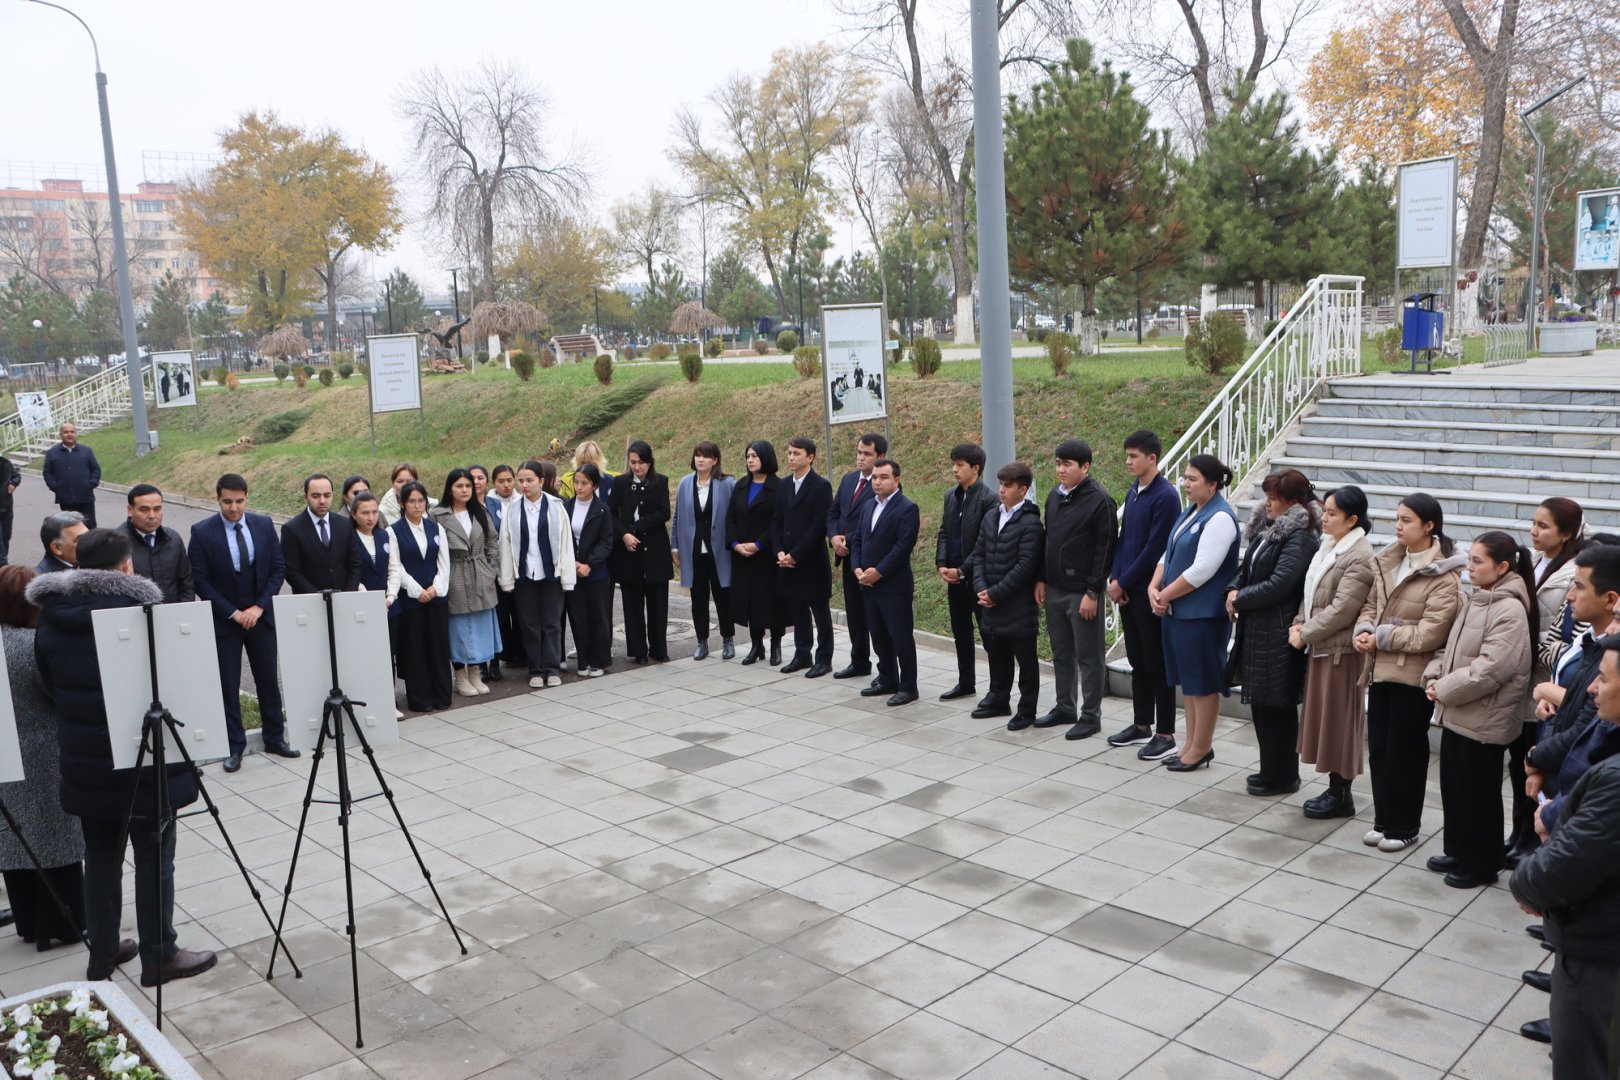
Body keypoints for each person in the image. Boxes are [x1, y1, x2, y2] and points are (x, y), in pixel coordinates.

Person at [28, 529, 216, 986]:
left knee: (101, 859)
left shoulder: (52, 616)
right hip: (143, 756)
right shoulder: (142, 613)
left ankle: (103, 952)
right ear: (126, 566)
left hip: (87, 762)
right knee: (154, 857)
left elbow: (47, 685)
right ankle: (159, 955)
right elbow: (173, 688)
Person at [1511, 638, 1620, 1080]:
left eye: (1605, 678)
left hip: (1600, 950)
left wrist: (1527, 883)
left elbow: (1563, 867)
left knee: (1586, 1062)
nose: (1593, 688)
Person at [1420, 530, 1536, 889]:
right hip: (1458, 712)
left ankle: (1481, 864)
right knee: (1455, 787)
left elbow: (1491, 669)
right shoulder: (1478, 598)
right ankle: (1458, 852)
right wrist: (1434, 675)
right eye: (1469, 559)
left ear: (1502, 567)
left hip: (1485, 717)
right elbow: (1451, 649)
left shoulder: (1510, 608)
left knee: (1478, 794)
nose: (1469, 568)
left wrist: (1445, 690)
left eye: (1477, 561)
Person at [1353, 493, 1465, 852]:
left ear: (1429, 526)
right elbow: (1370, 605)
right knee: (1381, 750)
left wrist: (1381, 635)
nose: (1398, 526)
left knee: (1406, 753)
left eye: (1407, 520)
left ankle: (1405, 826)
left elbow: (1431, 633)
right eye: (1397, 519)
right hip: (1379, 670)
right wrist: (1364, 629)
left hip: (1413, 677)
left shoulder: (1444, 575)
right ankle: (1383, 819)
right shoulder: (1390, 560)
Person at [0, 564, 84, 952]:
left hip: (6, 757)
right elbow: (57, 692)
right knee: (56, 840)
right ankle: (65, 923)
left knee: (15, 841)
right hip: (45, 753)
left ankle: (29, 924)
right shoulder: (31, 645)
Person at [188, 473, 297, 771]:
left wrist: (259, 607)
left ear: (247, 498)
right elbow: (201, 580)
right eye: (227, 502)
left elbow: (277, 569)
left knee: (267, 680)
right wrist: (233, 613)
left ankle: (275, 737)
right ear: (217, 499)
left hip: (260, 617)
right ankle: (234, 746)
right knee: (228, 684)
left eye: (239, 501)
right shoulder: (202, 532)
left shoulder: (263, 526)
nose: (233, 508)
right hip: (226, 621)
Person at [1225, 469, 1320, 795]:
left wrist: (1242, 598)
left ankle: (1282, 776)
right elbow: (1248, 567)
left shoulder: (1301, 534)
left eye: (1274, 498)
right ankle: (1270, 770)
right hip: (1258, 628)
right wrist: (1234, 589)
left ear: (1293, 502)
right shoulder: (1270, 528)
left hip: (1279, 631)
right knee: (1262, 706)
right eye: (1267, 496)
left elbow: (1282, 584)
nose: (1267, 503)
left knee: (1277, 707)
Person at [1290, 485, 1377, 819]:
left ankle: (1342, 794)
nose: (1323, 518)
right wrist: (1299, 623)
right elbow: (1311, 592)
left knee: (1340, 723)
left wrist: (1305, 634)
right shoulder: (1329, 545)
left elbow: (1343, 609)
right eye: (1324, 511)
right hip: (1321, 647)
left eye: (1332, 513)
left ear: (1352, 519)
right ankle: (1333, 788)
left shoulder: (1360, 555)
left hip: (1342, 653)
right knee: (1326, 721)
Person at [1149, 454, 1241, 771]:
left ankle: (1201, 747)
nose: (1186, 484)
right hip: (1178, 612)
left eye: (1193, 479)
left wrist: (1164, 593)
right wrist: (1154, 585)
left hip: (1202, 616)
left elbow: (1202, 570)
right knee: (1188, 682)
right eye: (1185, 478)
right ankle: (1190, 744)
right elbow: (1169, 550)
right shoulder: (1192, 511)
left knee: (1202, 682)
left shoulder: (1220, 518)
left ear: (1212, 484)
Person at [1508, 497, 1585, 866]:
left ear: (1567, 533)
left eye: (1544, 526)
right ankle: (1519, 832)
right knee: (1520, 764)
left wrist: (1537, 647)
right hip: (1529, 679)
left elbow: (1565, 642)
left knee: (1537, 762)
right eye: (1534, 523)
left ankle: (1530, 838)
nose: (1534, 532)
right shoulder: (1538, 563)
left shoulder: (1573, 575)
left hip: (1550, 687)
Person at [1106, 430, 1183, 761]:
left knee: (1157, 662)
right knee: (1137, 659)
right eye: (1127, 455)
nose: (1128, 461)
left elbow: (1155, 547)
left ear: (1152, 458)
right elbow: (1125, 539)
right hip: (1128, 589)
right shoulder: (1135, 490)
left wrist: (1125, 580)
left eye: (1134, 456)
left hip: (1148, 590)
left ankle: (1165, 733)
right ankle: (1141, 725)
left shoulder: (1166, 496)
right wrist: (1115, 577)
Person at [1038, 439, 1118, 739]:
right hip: (1055, 589)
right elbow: (1048, 539)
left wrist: (1093, 592)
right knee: (1061, 654)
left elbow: (1105, 549)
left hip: (1083, 594)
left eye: (1067, 464)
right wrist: (1042, 578)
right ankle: (1064, 707)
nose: (1060, 470)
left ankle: (1091, 715)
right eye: (1058, 463)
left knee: (1089, 657)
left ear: (1085, 467)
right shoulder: (1055, 496)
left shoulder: (1100, 501)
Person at [969, 462, 1045, 727]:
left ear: (1023, 489)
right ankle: (998, 698)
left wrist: (996, 593)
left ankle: (1027, 709)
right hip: (991, 599)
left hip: (1017, 604)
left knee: (1025, 658)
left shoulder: (1031, 523)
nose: (1001, 490)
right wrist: (981, 587)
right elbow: (979, 554)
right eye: (1000, 484)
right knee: (996, 652)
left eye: (1008, 485)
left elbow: (1025, 566)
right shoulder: (992, 516)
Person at [498, 460, 576, 689]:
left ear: (541, 481)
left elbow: (565, 544)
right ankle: (535, 669)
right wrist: (507, 578)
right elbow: (506, 544)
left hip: (551, 573)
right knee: (529, 624)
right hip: (525, 575)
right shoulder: (513, 508)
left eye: (529, 480)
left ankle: (552, 668)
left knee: (551, 623)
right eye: (521, 480)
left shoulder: (555, 506)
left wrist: (567, 576)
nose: (524, 485)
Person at [850, 458, 921, 706]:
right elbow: (857, 539)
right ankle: (887, 678)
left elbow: (902, 547)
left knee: (900, 637)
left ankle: (909, 686)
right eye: (875, 478)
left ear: (896, 480)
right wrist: (857, 568)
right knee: (878, 635)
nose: (877, 482)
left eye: (884, 477)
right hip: (867, 584)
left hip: (894, 586)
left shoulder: (907, 508)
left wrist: (878, 572)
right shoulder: (868, 505)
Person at [430, 469, 502, 697]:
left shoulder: (479, 511)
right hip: (455, 573)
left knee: (480, 625)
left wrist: (491, 568)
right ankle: (459, 676)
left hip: (480, 573)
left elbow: (492, 540)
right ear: (449, 488)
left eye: (468, 486)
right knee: (459, 627)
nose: (464, 490)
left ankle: (475, 672)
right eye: (459, 486)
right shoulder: (438, 514)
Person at [935, 443, 996, 701]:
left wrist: (962, 570)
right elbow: (944, 532)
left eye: (960, 465)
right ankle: (965, 683)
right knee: (961, 632)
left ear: (976, 468)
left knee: (989, 635)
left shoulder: (988, 499)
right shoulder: (951, 496)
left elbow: (985, 541)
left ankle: (996, 689)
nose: (955, 469)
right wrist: (941, 564)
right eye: (954, 464)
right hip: (954, 578)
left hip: (979, 579)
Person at [389, 481, 453, 711]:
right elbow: (396, 567)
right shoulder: (394, 531)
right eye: (411, 501)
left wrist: (435, 588)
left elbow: (444, 563)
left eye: (421, 500)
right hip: (411, 601)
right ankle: (420, 700)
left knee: (438, 647)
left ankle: (442, 696)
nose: (417, 506)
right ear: (402, 503)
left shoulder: (436, 529)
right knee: (415, 650)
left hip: (437, 599)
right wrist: (417, 591)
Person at [773, 437, 835, 677]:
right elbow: (777, 519)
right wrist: (779, 550)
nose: (791, 457)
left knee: (819, 611)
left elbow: (819, 527)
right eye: (789, 453)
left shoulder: (820, 486)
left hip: (810, 560)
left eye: (796, 453)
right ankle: (802, 654)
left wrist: (796, 555)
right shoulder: (784, 484)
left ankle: (824, 658)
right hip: (786, 558)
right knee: (797, 609)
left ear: (810, 457)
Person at [610, 441, 673, 665]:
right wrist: (624, 534)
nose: (637, 467)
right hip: (628, 550)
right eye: (633, 462)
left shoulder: (660, 481)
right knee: (632, 604)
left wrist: (637, 528)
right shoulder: (620, 482)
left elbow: (663, 512)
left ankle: (659, 648)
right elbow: (611, 513)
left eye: (641, 463)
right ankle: (638, 650)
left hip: (655, 550)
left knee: (658, 603)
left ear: (650, 462)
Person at [672, 441, 735, 661]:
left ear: (715, 460)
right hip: (693, 551)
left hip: (720, 551)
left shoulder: (727, 483)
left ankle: (728, 639)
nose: (700, 459)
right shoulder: (685, 483)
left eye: (706, 456)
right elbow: (677, 517)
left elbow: (734, 516)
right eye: (697, 455)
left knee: (722, 596)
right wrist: (675, 545)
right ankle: (702, 642)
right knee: (698, 599)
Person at [827, 434, 883, 680]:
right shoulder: (849, 479)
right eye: (859, 452)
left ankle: (887, 668)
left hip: (872, 562)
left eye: (867, 454)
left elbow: (874, 524)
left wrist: (847, 540)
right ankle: (859, 660)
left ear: (880, 456)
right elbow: (834, 511)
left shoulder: (885, 483)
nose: (861, 457)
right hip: (849, 559)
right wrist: (834, 537)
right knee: (855, 614)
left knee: (876, 617)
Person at [727, 441, 786, 666]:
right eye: (748, 456)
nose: (750, 460)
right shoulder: (741, 485)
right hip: (743, 555)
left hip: (767, 556)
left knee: (771, 600)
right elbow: (730, 517)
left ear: (766, 458)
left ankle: (776, 645)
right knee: (750, 600)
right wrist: (734, 543)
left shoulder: (778, 487)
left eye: (755, 456)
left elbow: (777, 521)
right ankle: (756, 644)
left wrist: (759, 544)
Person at [564, 464, 615, 677]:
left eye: (584, 483)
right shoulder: (566, 507)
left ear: (594, 485)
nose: (579, 487)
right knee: (578, 618)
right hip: (573, 571)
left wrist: (589, 564)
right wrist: (574, 564)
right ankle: (583, 661)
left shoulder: (602, 509)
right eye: (576, 482)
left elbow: (606, 542)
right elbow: (563, 539)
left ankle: (599, 661)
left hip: (596, 573)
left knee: (598, 617)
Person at [281, 473, 362, 595]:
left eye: (327, 495)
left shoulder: (345, 524)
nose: (322, 501)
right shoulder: (292, 529)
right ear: (305, 497)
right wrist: (316, 596)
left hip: (343, 599)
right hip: (308, 601)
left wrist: (348, 592)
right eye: (316, 496)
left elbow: (354, 563)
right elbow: (292, 571)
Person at [124, 484, 196, 604]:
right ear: (130, 510)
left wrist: (182, 610)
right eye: (144, 509)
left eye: (157, 509)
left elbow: (186, 583)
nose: (152, 516)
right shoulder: (115, 543)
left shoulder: (173, 539)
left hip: (173, 616)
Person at [486, 464, 519, 680]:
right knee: (501, 616)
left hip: (518, 567)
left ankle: (521, 653)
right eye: (501, 481)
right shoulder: (490, 504)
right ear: (493, 483)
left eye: (509, 480)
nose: (506, 485)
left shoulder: (520, 500)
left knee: (520, 613)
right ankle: (506, 653)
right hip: (497, 568)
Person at [41, 423, 100, 527]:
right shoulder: (52, 453)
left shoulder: (86, 451)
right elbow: (47, 472)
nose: (69, 434)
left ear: (76, 434)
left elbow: (95, 469)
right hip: (65, 499)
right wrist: (55, 487)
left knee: (89, 528)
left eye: (72, 432)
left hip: (86, 497)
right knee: (71, 528)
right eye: (66, 432)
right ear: (60, 434)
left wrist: (91, 483)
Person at [0, 452, 20, 559]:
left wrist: (14, 483)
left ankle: (3, 560)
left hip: (6, 507)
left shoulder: (5, 463)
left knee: (6, 536)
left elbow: (16, 475)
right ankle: (3, 565)